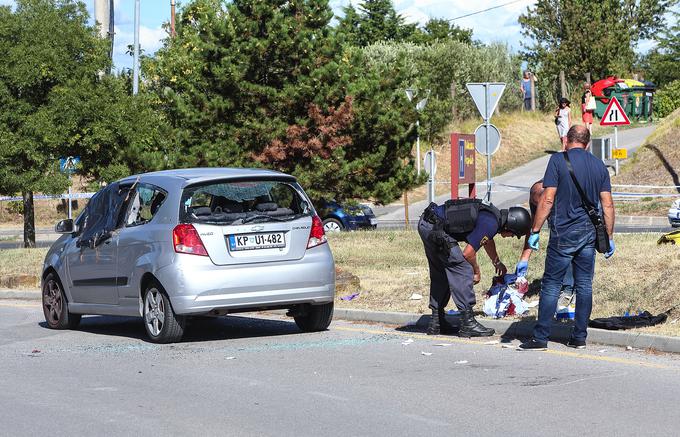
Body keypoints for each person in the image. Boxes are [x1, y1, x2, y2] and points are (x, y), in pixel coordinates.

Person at [519, 125, 615, 351]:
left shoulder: (557, 161)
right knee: (584, 285)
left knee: (551, 284)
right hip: (589, 235)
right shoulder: (599, 166)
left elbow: (547, 199)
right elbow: (607, 204)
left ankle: (541, 337)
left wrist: (534, 231)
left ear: (566, 140)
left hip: (563, 233)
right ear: (588, 143)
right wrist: (609, 236)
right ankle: (579, 337)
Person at [418, 200, 531, 337]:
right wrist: (476, 271)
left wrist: (496, 262)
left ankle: (436, 322)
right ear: (511, 227)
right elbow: (468, 253)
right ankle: (468, 323)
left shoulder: (492, 216)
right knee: (463, 269)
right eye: (514, 234)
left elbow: (487, 240)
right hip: (435, 228)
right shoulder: (491, 223)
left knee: (441, 273)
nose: (511, 237)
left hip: (428, 223)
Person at [515, 179, 574, 294]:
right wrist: (524, 259)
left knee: (567, 252)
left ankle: (569, 289)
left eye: (543, 204)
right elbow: (533, 227)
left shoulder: (563, 195)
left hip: (572, 222)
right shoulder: (535, 195)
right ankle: (558, 284)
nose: (541, 209)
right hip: (557, 224)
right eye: (537, 204)